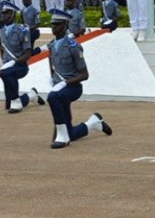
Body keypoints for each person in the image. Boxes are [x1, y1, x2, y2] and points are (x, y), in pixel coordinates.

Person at [46, 9, 112, 149]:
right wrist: (53, 81)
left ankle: (63, 137)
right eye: (52, 24)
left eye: (57, 24)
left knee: (53, 98)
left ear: (64, 25)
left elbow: (84, 74)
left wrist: (64, 82)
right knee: (70, 131)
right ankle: (93, 123)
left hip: (73, 87)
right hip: (60, 88)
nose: (53, 27)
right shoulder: (52, 45)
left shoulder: (73, 46)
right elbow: (52, 67)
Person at [0, 2, 44, 114]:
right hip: (8, 66)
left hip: (20, 65)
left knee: (5, 74)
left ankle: (18, 101)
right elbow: (2, 50)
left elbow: (27, 54)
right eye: (2, 13)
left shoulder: (23, 30)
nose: (3, 15)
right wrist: (3, 62)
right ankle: (31, 95)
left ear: (13, 14)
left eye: (7, 13)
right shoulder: (1, 31)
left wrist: (13, 62)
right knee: (9, 104)